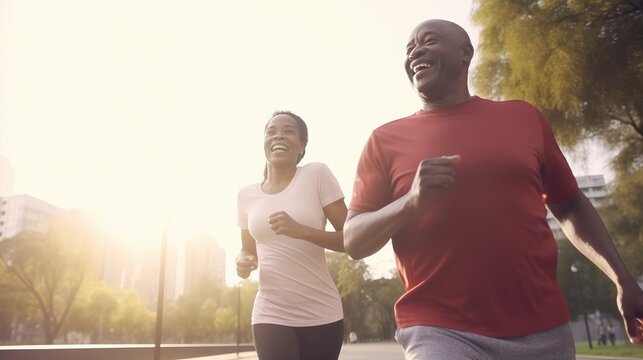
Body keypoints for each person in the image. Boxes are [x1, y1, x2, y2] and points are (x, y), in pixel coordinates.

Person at [343, 18, 643, 360]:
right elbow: (353, 239)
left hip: (544, 329)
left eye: (428, 41)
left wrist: (622, 278)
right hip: (439, 331)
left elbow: (570, 204)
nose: (416, 51)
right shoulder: (384, 141)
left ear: (465, 54)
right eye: (409, 48)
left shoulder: (523, 118)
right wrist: (410, 203)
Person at [236, 111, 347, 360]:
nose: (279, 135)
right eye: (271, 131)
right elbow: (247, 250)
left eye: (288, 131)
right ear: (264, 142)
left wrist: (301, 231)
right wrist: (243, 262)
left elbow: (352, 238)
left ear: (302, 146)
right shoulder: (246, 196)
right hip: (270, 312)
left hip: (322, 313)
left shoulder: (316, 174)